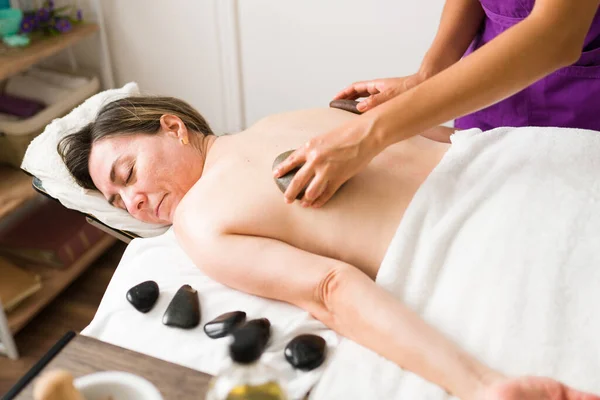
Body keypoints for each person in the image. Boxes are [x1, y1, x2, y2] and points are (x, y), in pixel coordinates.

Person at [58, 96, 599, 400]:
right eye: (118, 199)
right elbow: (448, 134)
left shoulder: (200, 219)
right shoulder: (293, 113)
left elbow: (330, 289)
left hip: (495, 239)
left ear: (173, 128)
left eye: (127, 174)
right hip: (541, 161)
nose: (134, 203)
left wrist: (481, 385)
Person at [274, 0, 600, 208]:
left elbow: (555, 35)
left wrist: (369, 136)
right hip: (488, 87)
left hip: (582, 105)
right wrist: (427, 77)